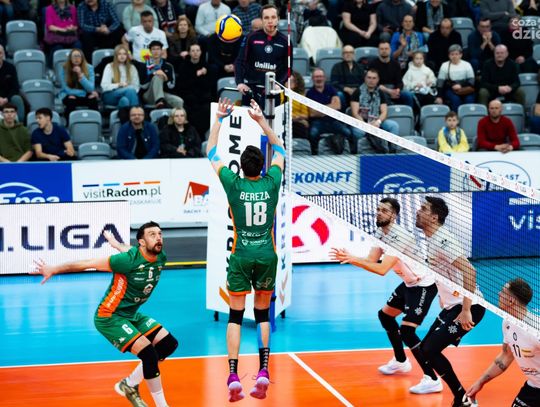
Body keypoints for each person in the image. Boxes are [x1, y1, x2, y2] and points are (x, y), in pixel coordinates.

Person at [31, 223, 178, 407]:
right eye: (152, 234)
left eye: (160, 234)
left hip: (130, 314)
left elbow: (132, 250)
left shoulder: (160, 257)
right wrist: (54, 269)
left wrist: (116, 243)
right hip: (109, 316)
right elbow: (88, 263)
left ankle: (129, 384)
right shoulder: (125, 261)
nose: (158, 238)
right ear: (142, 241)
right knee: (148, 353)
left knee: (168, 344)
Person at [206, 98, 285, 402]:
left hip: (241, 256)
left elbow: (211, 152)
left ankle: (233, 375)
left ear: (241, 167)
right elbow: (280, 149)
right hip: (266, 255)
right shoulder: (272, 182)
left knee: (235, 317)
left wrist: (220, 119)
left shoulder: (233, 184)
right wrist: (262, 122)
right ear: (262, 166)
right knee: (262, 313)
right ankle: (263, 370)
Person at [330, 197, 441, 394]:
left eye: (384, 210)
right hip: (409, 283)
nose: (379, 213)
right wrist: (351, 258)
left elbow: (381, 269)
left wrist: (352, 259)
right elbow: (371, 260)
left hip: (423, 285)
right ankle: (401, 361)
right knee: (385, 315)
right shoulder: (380, 233)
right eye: (378, 209)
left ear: (394, 215)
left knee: (407, 331)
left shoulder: (399, 236)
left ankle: (431, 378)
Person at [416, 196, 486, 407]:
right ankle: (460, 396)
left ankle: (462, 399)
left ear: (434, 217)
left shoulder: (443, 241)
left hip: (468, 308)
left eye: (423, 209)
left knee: (430, 350)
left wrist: (466, 310)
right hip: (452, 307)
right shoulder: (432, 239)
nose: (418, 211)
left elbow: (470, 271)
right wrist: (444, 297)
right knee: (425, 350)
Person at [466, 278, 540, 407]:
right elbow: (506, 355)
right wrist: (480, 382)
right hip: (533, 387)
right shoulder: (507, 322)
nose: (499, 293)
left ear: (511, 300)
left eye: (503, 292)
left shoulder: (535, 330)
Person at [235, 4, 289, 107]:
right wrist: (240, 82)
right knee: (249, 118)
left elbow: (288, 69)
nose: (270, 21)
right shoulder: (251, 37)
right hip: (251, 90)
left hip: (273, 91)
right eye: (266, 18)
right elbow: (240, 61)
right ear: (261, 20)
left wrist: (279, 84)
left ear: (278, 19)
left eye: (273, 17)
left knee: (271, 118)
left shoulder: (285, 41)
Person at [350, 68, 399, 154]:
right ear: (365, 78)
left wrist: (378, 122)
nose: (371, 80)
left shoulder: (380, 93)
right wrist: (365, 125)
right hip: (362, 122)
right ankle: (358, 153)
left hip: (376, 121)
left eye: (374, 78)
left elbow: (384, 112)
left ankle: (392, 151)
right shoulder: (357, 92)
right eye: (369, 77)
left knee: (393, 125)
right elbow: (355, 113)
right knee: (358, 131)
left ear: (378, 80)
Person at [306, 68, 353, 155]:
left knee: (348, 133)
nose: (319, 79)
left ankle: (347, 154)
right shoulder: (309, 93)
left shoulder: (331, 89)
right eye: (316, 77)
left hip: (333, 121)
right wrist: (330, 107)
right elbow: (312, 113)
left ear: (325, 78)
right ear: (312, 78)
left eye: (320, 76)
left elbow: (337, 106)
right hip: (318, 122)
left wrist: (319, 109)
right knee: (312, 134)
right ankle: (315, 154)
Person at [176, 43, 214, 137]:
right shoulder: (183, 66)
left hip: (203, 98)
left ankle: (201, 136)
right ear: (189, 53)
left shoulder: (206, 67)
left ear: (201, 52)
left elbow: (209, 85)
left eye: (197, 50)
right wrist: (196, 75)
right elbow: (182, 85)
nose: (195, 53)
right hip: (189, 98)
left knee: (207, 109)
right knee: (191, 109)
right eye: (193, 51)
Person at [369, 40, 414, 109]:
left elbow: (399, 81)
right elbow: (373, 82)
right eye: (382, 49)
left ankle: (408, 113)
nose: (384, 51)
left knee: (408, 95)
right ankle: (389, 113)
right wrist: (389, 91)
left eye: (386, 49)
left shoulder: (395, 64)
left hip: (394, 88)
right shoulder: (373, 64)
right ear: (378, 51)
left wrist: (397, 90)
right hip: (380, 88)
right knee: (382, 95)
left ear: (390, 50)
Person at [59, 48, 99, 121]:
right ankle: (70, 124)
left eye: (78, 56)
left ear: (82, 58)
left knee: (93, 99)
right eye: (74, 56)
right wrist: (84, 93)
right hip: (70, 94)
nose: (76, 58)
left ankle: (93, 122)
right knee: (71, 100)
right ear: (70, 58)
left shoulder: (89, 68)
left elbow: (90, 88)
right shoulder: (64, 68)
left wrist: (81, 75)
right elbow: (66, 89)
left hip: (85, 93)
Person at [140, 40, 183, 108]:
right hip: (148, 94)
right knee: (158, 76)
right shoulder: (144, 66)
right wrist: (154, 74)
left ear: (161, 51)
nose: (156, 51)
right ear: (150, 51)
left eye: (158, 49)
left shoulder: (168, 66)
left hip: (163, 93)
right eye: (153, 49)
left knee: (179, 101)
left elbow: (172, 86)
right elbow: (142, 86)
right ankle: (159, 102)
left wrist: (165, 78)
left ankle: (161, 102)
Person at [435, 44, 475, 113]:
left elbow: (471, 81)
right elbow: (440, 83)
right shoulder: (444, 65)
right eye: (452, 54)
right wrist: (439, 96)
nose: (454, 56)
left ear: (461, 55)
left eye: (456, 54)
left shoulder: (467, 65)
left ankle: (467, 117)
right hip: (450, 89)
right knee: (455, 99)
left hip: (465, 88)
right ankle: (455, 117)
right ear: (449, 55)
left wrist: (460, 85)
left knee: (469, 99)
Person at [101, 44, 141, 108]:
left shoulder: (132, 68)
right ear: (116, 55)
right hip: (110, 95)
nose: (122, 56)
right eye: (119, 54)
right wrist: (119, 85)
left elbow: (136, 87)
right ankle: (136, 111)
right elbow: (104, 86)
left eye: (124, 54)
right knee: (130, 90)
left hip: (128, 94)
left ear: (127, 55)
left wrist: (127, 90)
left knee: (124, 101)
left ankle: (124, 114)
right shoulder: (109, 66)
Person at [330, 45, 366, 110]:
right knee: (339, 94)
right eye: (346, 52)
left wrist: (357, 90)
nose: (348, 54)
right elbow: (334, 83)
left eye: (350, 52)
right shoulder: (336, 67)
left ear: (354, 54)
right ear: (342, 55)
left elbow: (364, 82)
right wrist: (346, 89)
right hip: (343, 91)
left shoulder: (360, 67)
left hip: (357, 91)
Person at [0, 45, 25, 122]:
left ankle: (20, 124)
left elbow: (15, 87)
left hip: (8, 99)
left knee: (17, 98)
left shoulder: (10, 67)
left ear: (3, 54)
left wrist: (6, 99)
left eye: (0, 53)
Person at [290, 71, 310, 141]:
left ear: (297, 83)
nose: (290, 83)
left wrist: (294, 118)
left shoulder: (301, 97)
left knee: (301, 128)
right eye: (288, 81)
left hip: (297, 123)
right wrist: (298, 118)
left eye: (292, 81)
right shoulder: (280, 95)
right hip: (286, 122)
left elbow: (305, 115)